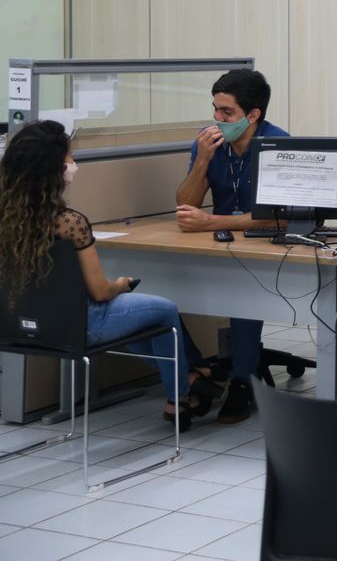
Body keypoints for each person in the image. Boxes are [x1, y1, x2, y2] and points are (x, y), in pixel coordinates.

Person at [0, 121, 219, 431]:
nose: (73, 165)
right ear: (52, 169)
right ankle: (180, 396)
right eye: (70, 158)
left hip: (15, 325)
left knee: (144, 318)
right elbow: (100, 293)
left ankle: (187, 379)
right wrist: (121, 285)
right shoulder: (70, 223)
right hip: (80, 327)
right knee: (165, 311)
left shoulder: (7, 221)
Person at [175, 69, 289, 423]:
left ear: (253, 115)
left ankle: (243, 381)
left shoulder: (278, 145)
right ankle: (198, 371)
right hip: (219, 243)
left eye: (227, 112)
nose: (218, 119)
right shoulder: (208, 142)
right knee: (162, 289)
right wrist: (204, 161)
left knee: (245, 294)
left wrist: (213, 222)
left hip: (265, 248)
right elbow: (185, 204)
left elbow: (278, 218)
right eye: (215, 109)